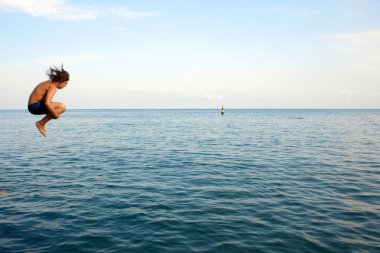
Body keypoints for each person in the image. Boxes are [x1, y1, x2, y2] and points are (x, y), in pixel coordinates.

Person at [28, 65, 70, 137]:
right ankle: (41, 123)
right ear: (60, 81)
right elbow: (47, 103)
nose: (65, 86)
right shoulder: (53, 87)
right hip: (34, 106)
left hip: (33, 106)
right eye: (65, 83)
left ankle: (41, 123)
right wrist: (55, 115)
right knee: (62, 107)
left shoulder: (48, 83)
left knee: (57, 108)